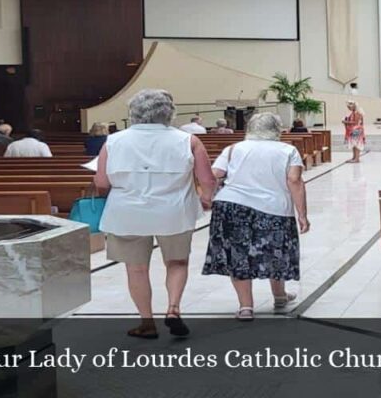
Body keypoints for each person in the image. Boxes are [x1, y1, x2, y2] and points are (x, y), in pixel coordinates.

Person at [94, 89, 217, 339]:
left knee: (136, 268)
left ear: (133, 113)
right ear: (169, 113)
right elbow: (207, 179)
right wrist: (206, 199)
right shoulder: (188, 140)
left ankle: (147, 322)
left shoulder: (114, 141)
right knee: (177, 262)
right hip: (174, 211)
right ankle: (173, 309)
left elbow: (102, 182)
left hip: (127, 211)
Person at [202, 113, 309, 321]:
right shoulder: (288, 150)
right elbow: (294, 181)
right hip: (273, 207)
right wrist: (302, 214)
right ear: (277, 129)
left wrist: (206, 197)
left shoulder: (233, 149)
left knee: (238, 254)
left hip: (232, 206)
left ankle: (246, 307)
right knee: (275, 251)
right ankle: (279, 295)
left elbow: (214, 174)